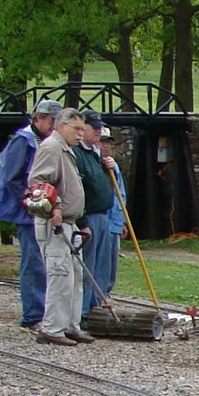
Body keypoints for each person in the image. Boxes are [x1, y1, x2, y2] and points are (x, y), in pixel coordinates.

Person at [25, 107, 94, 346]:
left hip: (70, 223)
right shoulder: (51, 148)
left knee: (74, 276)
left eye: (83, 130)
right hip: (55, 223)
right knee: (60, 275)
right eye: (76, 129)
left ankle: (70, 325)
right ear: (61, 126)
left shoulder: (67, 150)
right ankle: (52, 328)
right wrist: (54, 208)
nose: (80, 134)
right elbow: (37, 182)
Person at [0, 97, 61, 332]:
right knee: (33, 261)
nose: (55, 126)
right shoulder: (23, 141)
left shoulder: (48, 141)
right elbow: (12, 178)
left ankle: (47, 311)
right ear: (39, 119)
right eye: (53, 121)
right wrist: (32, 202)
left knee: (46, 262)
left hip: (44, 209)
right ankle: (33, 315)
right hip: (28, 212)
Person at [72, 111, 121, 315]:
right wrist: (82, 220)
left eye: (100, 128)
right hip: (89, 215)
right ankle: (82, 311)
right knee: (88, 267)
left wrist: (111, 168)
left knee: (102, 265)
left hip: (104, 215)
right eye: (95, 128)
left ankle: (94, 305)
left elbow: (107, 184)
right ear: (84, 129)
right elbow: (78, 188)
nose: (99, 132)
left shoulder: (96, 153)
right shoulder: (78, 154)